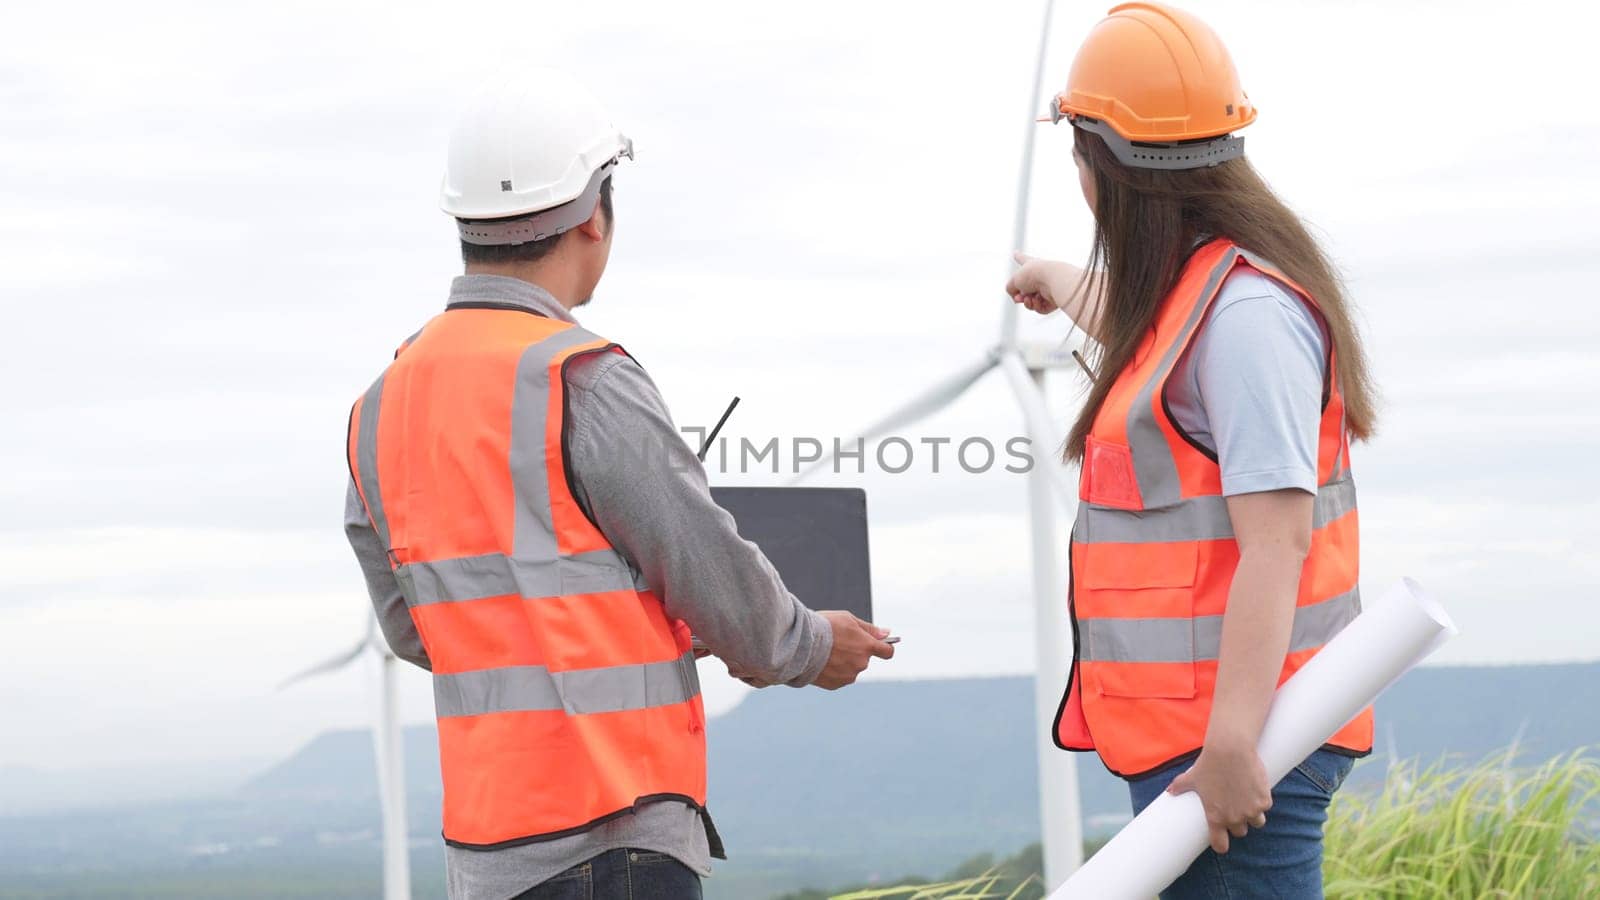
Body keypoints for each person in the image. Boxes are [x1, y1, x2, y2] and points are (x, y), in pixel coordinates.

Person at [343, 70, 895, 900]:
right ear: (595, 216)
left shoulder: (381, 403)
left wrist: (601, 632)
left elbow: (417, 628)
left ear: (463, 223)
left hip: (486, 850)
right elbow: (704, 563)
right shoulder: (581, 379)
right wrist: (810, 643)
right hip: (613, 840)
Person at [1005, 4, 1377, 897]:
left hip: (1242, 746)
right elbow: (1163, 348)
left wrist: (1237, 745)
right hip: (1203, 738)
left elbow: (1276, 543)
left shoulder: (1248, 317)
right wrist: (1062, 282)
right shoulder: (1201, 299)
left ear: (1101, 168)